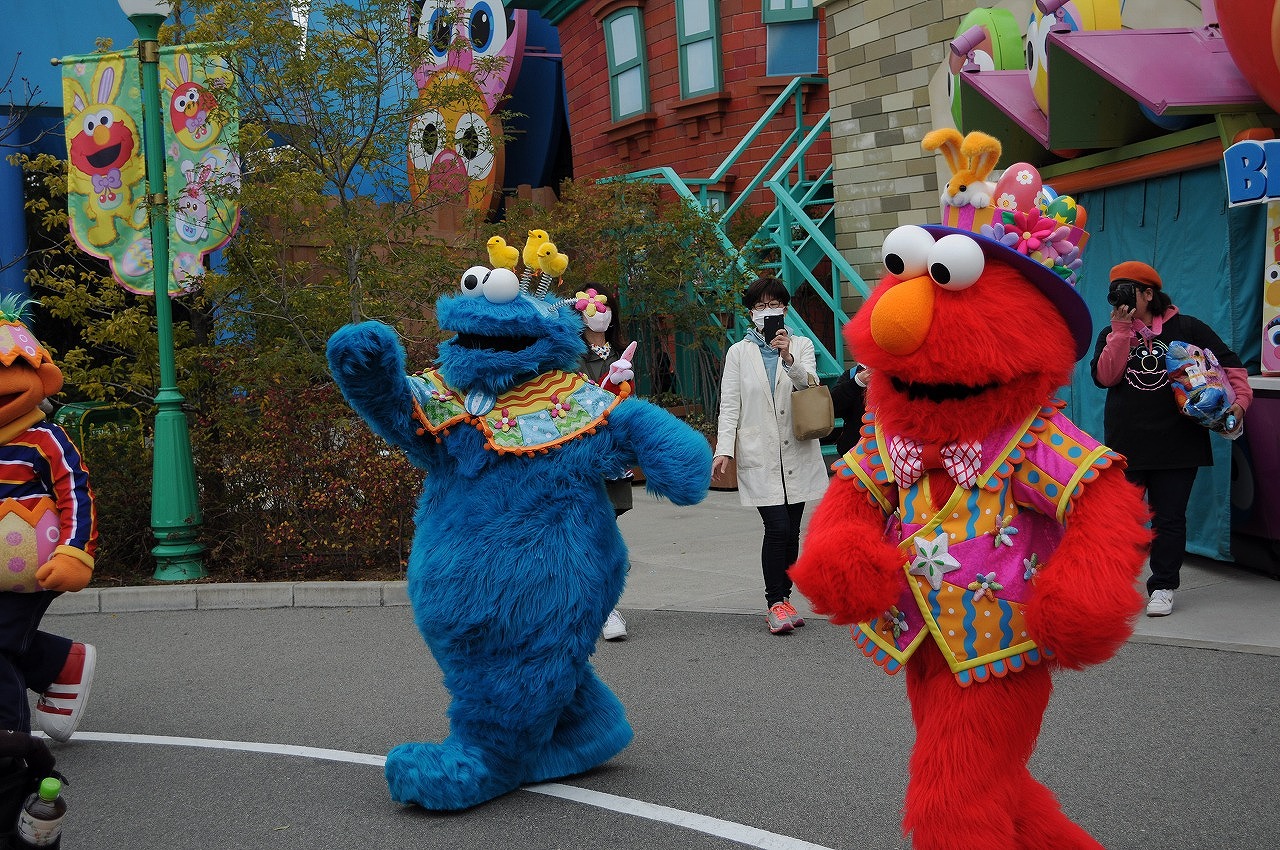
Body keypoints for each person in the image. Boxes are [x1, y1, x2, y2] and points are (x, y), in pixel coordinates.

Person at [1090, 260, 1253, 617]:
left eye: (1127, 289)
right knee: (1121, 521)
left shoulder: (1188, 327)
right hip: (1126, 445)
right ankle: (1115, 587)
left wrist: (1239, 403)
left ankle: (1162, 586)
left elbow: (1231, 364)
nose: (1118, 297)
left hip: (1178, 445)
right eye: (1114, 290)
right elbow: (1105, 376)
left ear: (1149, 294)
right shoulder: (1112, 331)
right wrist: (1120, 331)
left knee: (1169, 519)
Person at [712, 277, 830, 634]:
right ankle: (774, 602)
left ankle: (785, 598)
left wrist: (787, 357)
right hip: (759, 450)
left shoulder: (802, 345)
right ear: (751, 313)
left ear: (785, 309)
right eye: (761, 306)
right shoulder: (739, 352)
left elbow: (809, 385)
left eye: (774, 304)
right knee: (776, 528)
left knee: (792, 530)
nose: (768, 311)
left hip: (795, 449)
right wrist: (723, 450)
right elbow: (730, 405)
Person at [576, 285, 634, 641]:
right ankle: (598, 607)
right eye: (593, 308)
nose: (600, 314)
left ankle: (602, 605)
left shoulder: (620, 351)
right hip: (579, 450)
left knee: (605, 526)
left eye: (606, 309)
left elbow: (632, 399)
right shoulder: (568, 354)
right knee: (587, 529)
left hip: (613, 448)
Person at [829, 363, 868, 458]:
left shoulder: (901, 373)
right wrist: (857, 382)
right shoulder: (853, 373)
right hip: (854, 453)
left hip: (892, 452)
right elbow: (833, 407)